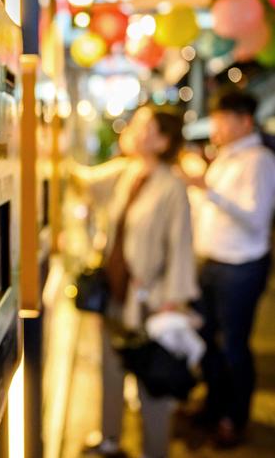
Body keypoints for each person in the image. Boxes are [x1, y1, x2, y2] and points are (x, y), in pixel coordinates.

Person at [74, 106, 199, 458]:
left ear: (162, 141)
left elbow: (181, 247)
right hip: (114, 293)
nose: (133, 127)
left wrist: (171, 302)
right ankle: (110, 440)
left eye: (145, 125)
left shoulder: (172, 186)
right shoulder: (126, 172)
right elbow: (80, 180)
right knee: (111, 369)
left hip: (150, 300)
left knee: (151, 385)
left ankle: (153, 451)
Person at [178, 90, 275, 447]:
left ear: (244, 122)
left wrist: (207, 188)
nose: (216, 126)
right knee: (205, 339)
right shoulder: (225, 157)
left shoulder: (260, 161)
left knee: (234, 345)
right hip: (212, 262)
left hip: (241, 267)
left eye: (222, 120)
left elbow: (255, 218)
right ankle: (214, 405)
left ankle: (235, 419)